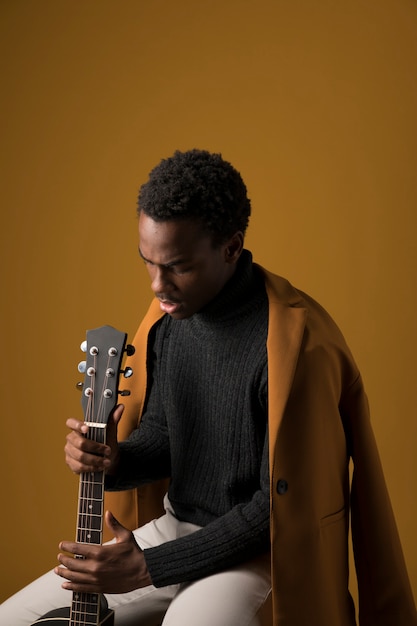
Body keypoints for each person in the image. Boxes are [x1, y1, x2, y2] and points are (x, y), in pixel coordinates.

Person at [1, 149, 416, 626]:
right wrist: (115, 461)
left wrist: (149, 567)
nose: (159, 286)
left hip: (257, 553)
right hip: (172, 532)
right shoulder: (168, 319)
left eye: (178, 266)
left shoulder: (299, 346)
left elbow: (276, 508)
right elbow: (166, 433)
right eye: (148, 262)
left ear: (231, 247)